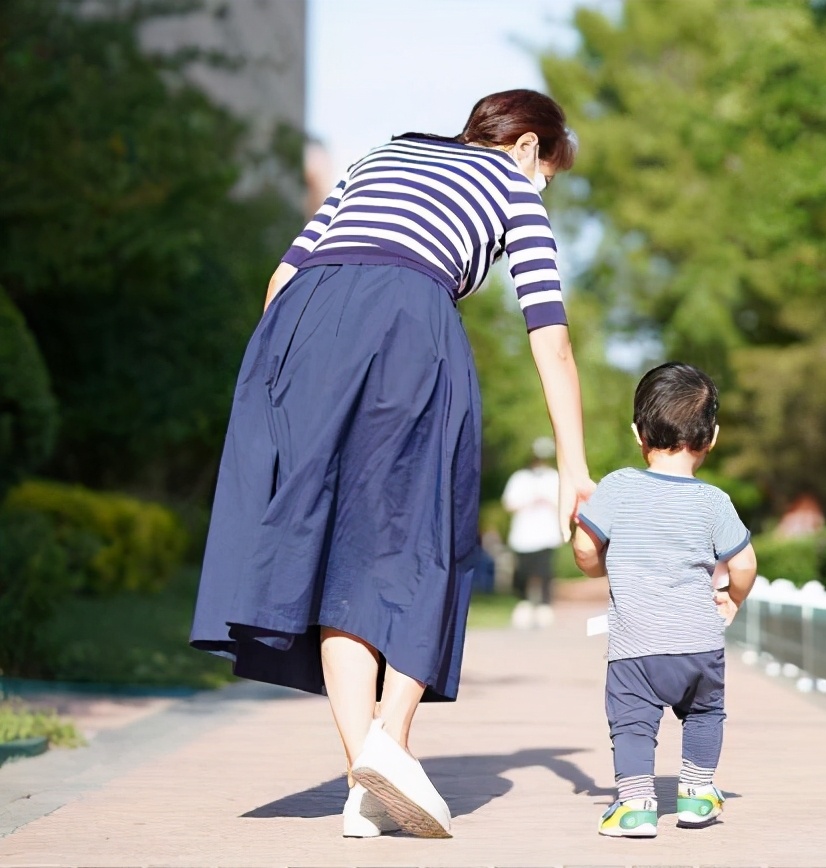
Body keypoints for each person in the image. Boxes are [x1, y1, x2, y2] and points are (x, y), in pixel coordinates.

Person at [189, 89, 594, 840]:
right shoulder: (512, 182)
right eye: (552, 174)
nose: (546, 188)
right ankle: (387, 743)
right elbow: (550, 333)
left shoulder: (380, 154)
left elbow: (282, 278)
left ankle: (367, 778)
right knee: (427, 537)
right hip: (408, 320)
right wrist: (574, 465)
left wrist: (278, 398)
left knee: (341, 554)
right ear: (532, 148)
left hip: (304, 326)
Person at [572, 362, 757, 838]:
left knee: (632, 723)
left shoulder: (617, 487)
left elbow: (586, 552)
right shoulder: (714, 501)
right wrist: (731, 599)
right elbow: (744, 565)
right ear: (711, 437)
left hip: (636, 647)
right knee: (705, 713)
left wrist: (594, 555)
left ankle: (635, 806)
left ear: (639, 433)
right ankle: (696, 795)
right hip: (700, 643)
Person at [502, 436, 563, 629]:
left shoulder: (554, 477)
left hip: (546, 534)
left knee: (544, 572)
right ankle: (524, 604)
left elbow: (562, 503)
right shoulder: (520, 478)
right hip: (524, 535)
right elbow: (509, 503)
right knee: (522, 572)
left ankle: (544, 607)